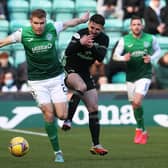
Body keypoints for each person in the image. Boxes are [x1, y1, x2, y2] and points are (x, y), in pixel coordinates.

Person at [0, 9, 89, 162]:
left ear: (45, 21)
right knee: (48, 115)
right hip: (37, 82)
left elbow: (69, 23)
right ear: (31, 22)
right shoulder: (23, 33)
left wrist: (82, 20)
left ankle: (62, 103)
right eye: (36, 23)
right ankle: (58, 153)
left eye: (42, 23)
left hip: (56, 78)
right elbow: (3, 42)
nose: (39, 26)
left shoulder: (53, 27)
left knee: (61, 115)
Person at [62, 14, 109, 155]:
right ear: (89, 24)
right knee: (81, 87)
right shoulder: (80, 33)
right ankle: (68, 120)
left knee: (94, 107)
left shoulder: (104, 39)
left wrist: (92, 46)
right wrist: (80, 43)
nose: (94, 31)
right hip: (69, 69)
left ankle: (96, 145)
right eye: (92, 27)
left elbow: (100, 58)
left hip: (84, 73)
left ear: (102, 29)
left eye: (97, 29)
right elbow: (68, 51)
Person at [113, 15, 161, 144]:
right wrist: (124, 58)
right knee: (134, 105)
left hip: (145, 75)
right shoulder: (124, 40)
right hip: (130, 77)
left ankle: (138, 129)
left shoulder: (151, 38)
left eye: (138, 24)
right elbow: (115, 56)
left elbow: (158, 51)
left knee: (137, 101)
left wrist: (151, 58)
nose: (136, 26)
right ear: (130, 26)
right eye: (134, 24)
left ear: (142, 26)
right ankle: (143, 130)